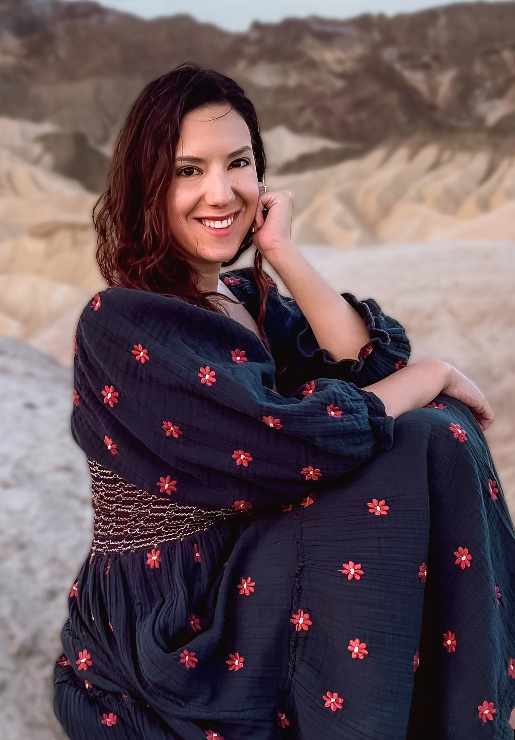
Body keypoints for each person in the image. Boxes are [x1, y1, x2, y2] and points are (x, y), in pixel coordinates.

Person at [53, 63, 515, 740]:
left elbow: (367, 366)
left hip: (248, 564)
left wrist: (281, 249)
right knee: (423, 434)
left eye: (238, 163)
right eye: (187, 170)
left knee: (429, 430)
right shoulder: (123, 320)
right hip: (182, 616)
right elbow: (290, 441)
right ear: (145, 184)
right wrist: (432, 374)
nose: (220, 192)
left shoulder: (241, 299)